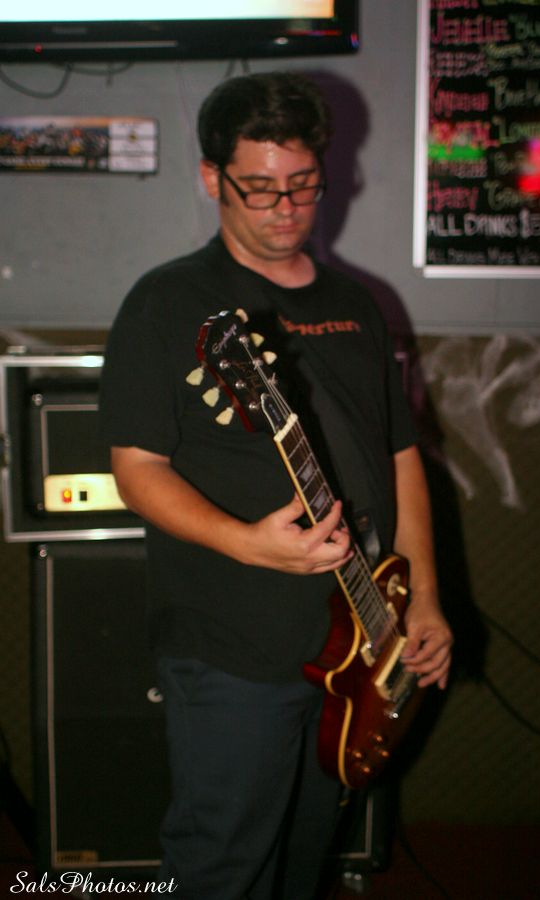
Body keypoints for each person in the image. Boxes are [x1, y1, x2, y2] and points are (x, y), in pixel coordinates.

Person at [99, 71, 453, 900]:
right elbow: (136, 470)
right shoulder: (167, 302)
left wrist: (425, 599)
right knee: (224, 864)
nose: (285, 208)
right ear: (211, 177)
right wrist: (246, 542)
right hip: (234, 646)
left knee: (303, 859)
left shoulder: (357, 304)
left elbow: (401, 457)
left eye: (303, 184)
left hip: (356, 639)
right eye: (259, 188)